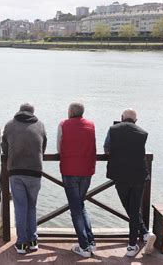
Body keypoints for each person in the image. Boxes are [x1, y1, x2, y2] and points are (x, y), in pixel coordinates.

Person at [104, 108, 156, 257]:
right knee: (134, 210)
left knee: (131, 211)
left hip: (121, 176)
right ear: (136, 121)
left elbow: (107, 149)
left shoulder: (113, 129)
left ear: (121, 118)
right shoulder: (143, 133)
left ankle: (133, 245)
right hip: (140, 176)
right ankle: (145, 234)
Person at [1, 103, 47, 254]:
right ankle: (33, 241)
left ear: (20, 111)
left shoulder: (10, 125)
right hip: (35, 170)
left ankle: (21, 243)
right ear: (33, 112)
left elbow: (4, 145)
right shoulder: (40, 125)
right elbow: (43, 146)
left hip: (15, 170)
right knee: (32, 206)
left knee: (20, 207)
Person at [57, 102, 96, 258]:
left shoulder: (63, 124)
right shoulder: (91, 125)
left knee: (75, 209)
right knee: (80, 204)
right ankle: (91, 242)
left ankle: (84, 246)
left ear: (71, 112)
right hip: (87, 171)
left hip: (69, 170)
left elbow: (59, 148)